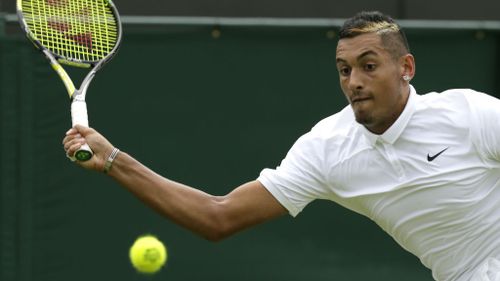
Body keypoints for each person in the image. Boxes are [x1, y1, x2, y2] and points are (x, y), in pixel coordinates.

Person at [63, 11, 500, 281]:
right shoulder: (328, 148)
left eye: (369, 66)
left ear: (405, 67)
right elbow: (218, 217)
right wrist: (113, 160)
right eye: (344, 69)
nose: (355, 82)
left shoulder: (468, 115)